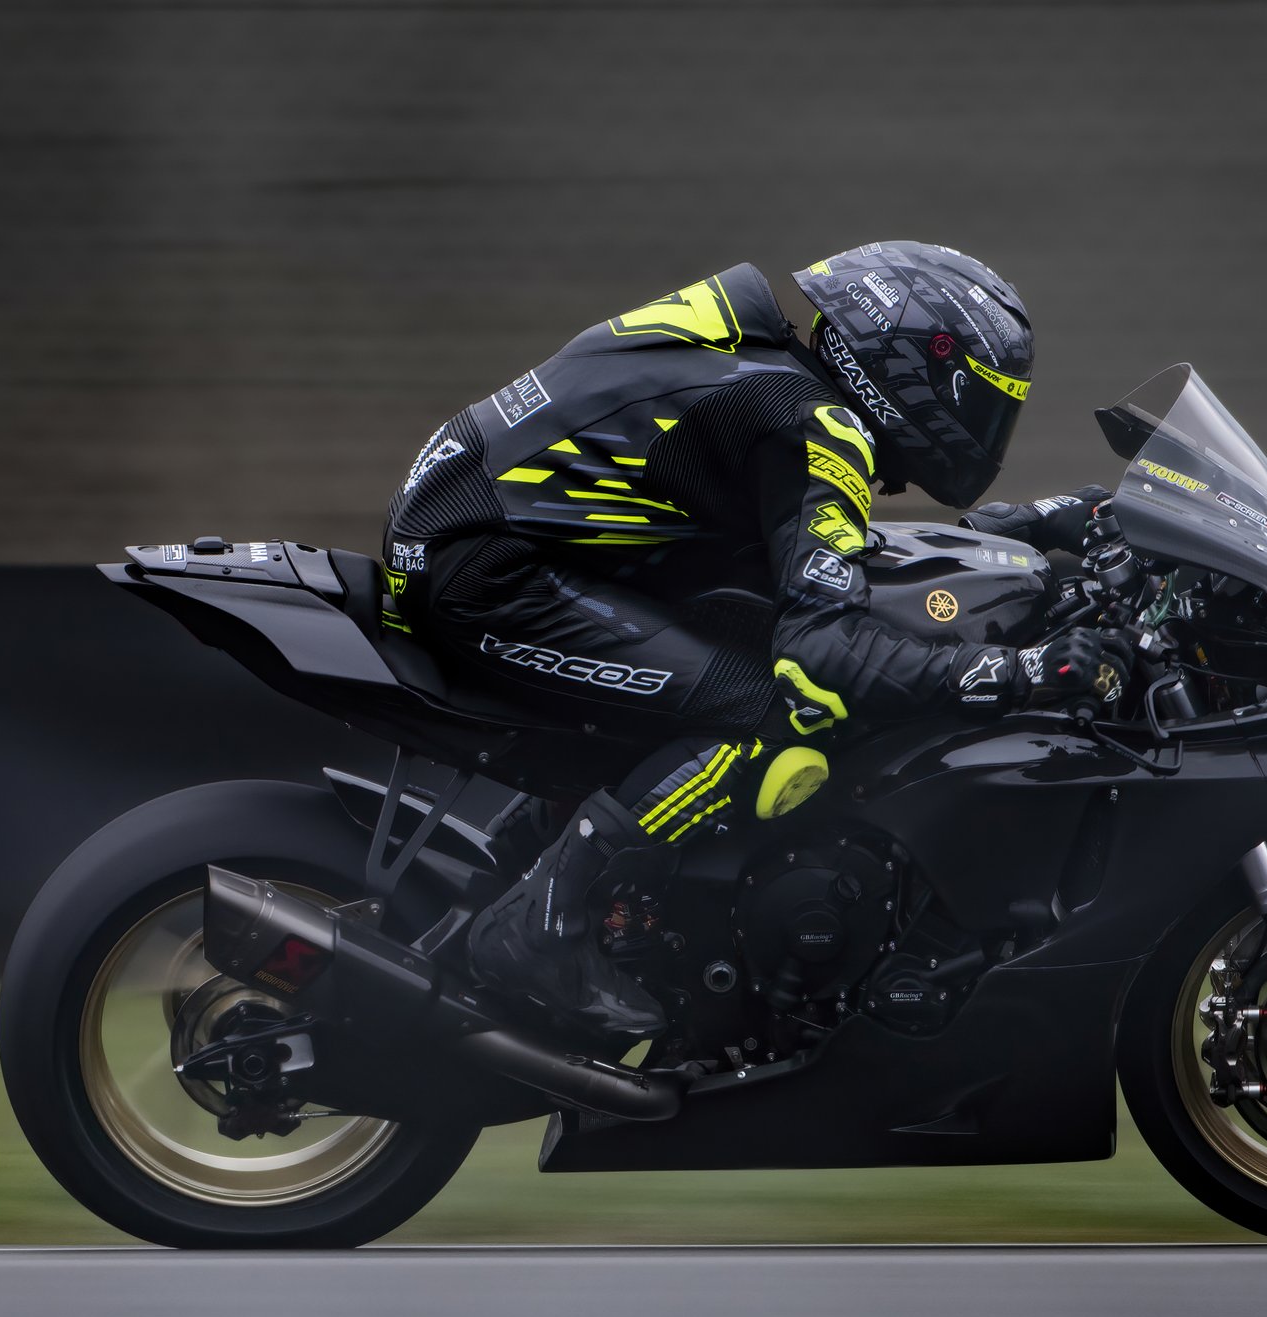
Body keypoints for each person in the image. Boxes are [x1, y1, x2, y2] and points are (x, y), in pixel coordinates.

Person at [382, 240, 1124, 1037]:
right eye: (980, 397)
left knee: (731, 651)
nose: (987, 422)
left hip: (479, 540)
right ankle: (541, 926)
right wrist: (1007, 671)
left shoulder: (768, 373)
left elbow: (828, 545)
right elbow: (823, 646)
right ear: (917, 369)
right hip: (490, 575)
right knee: (781, 711)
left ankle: (534, 875)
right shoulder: (814, 423)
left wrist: (1034, 522)